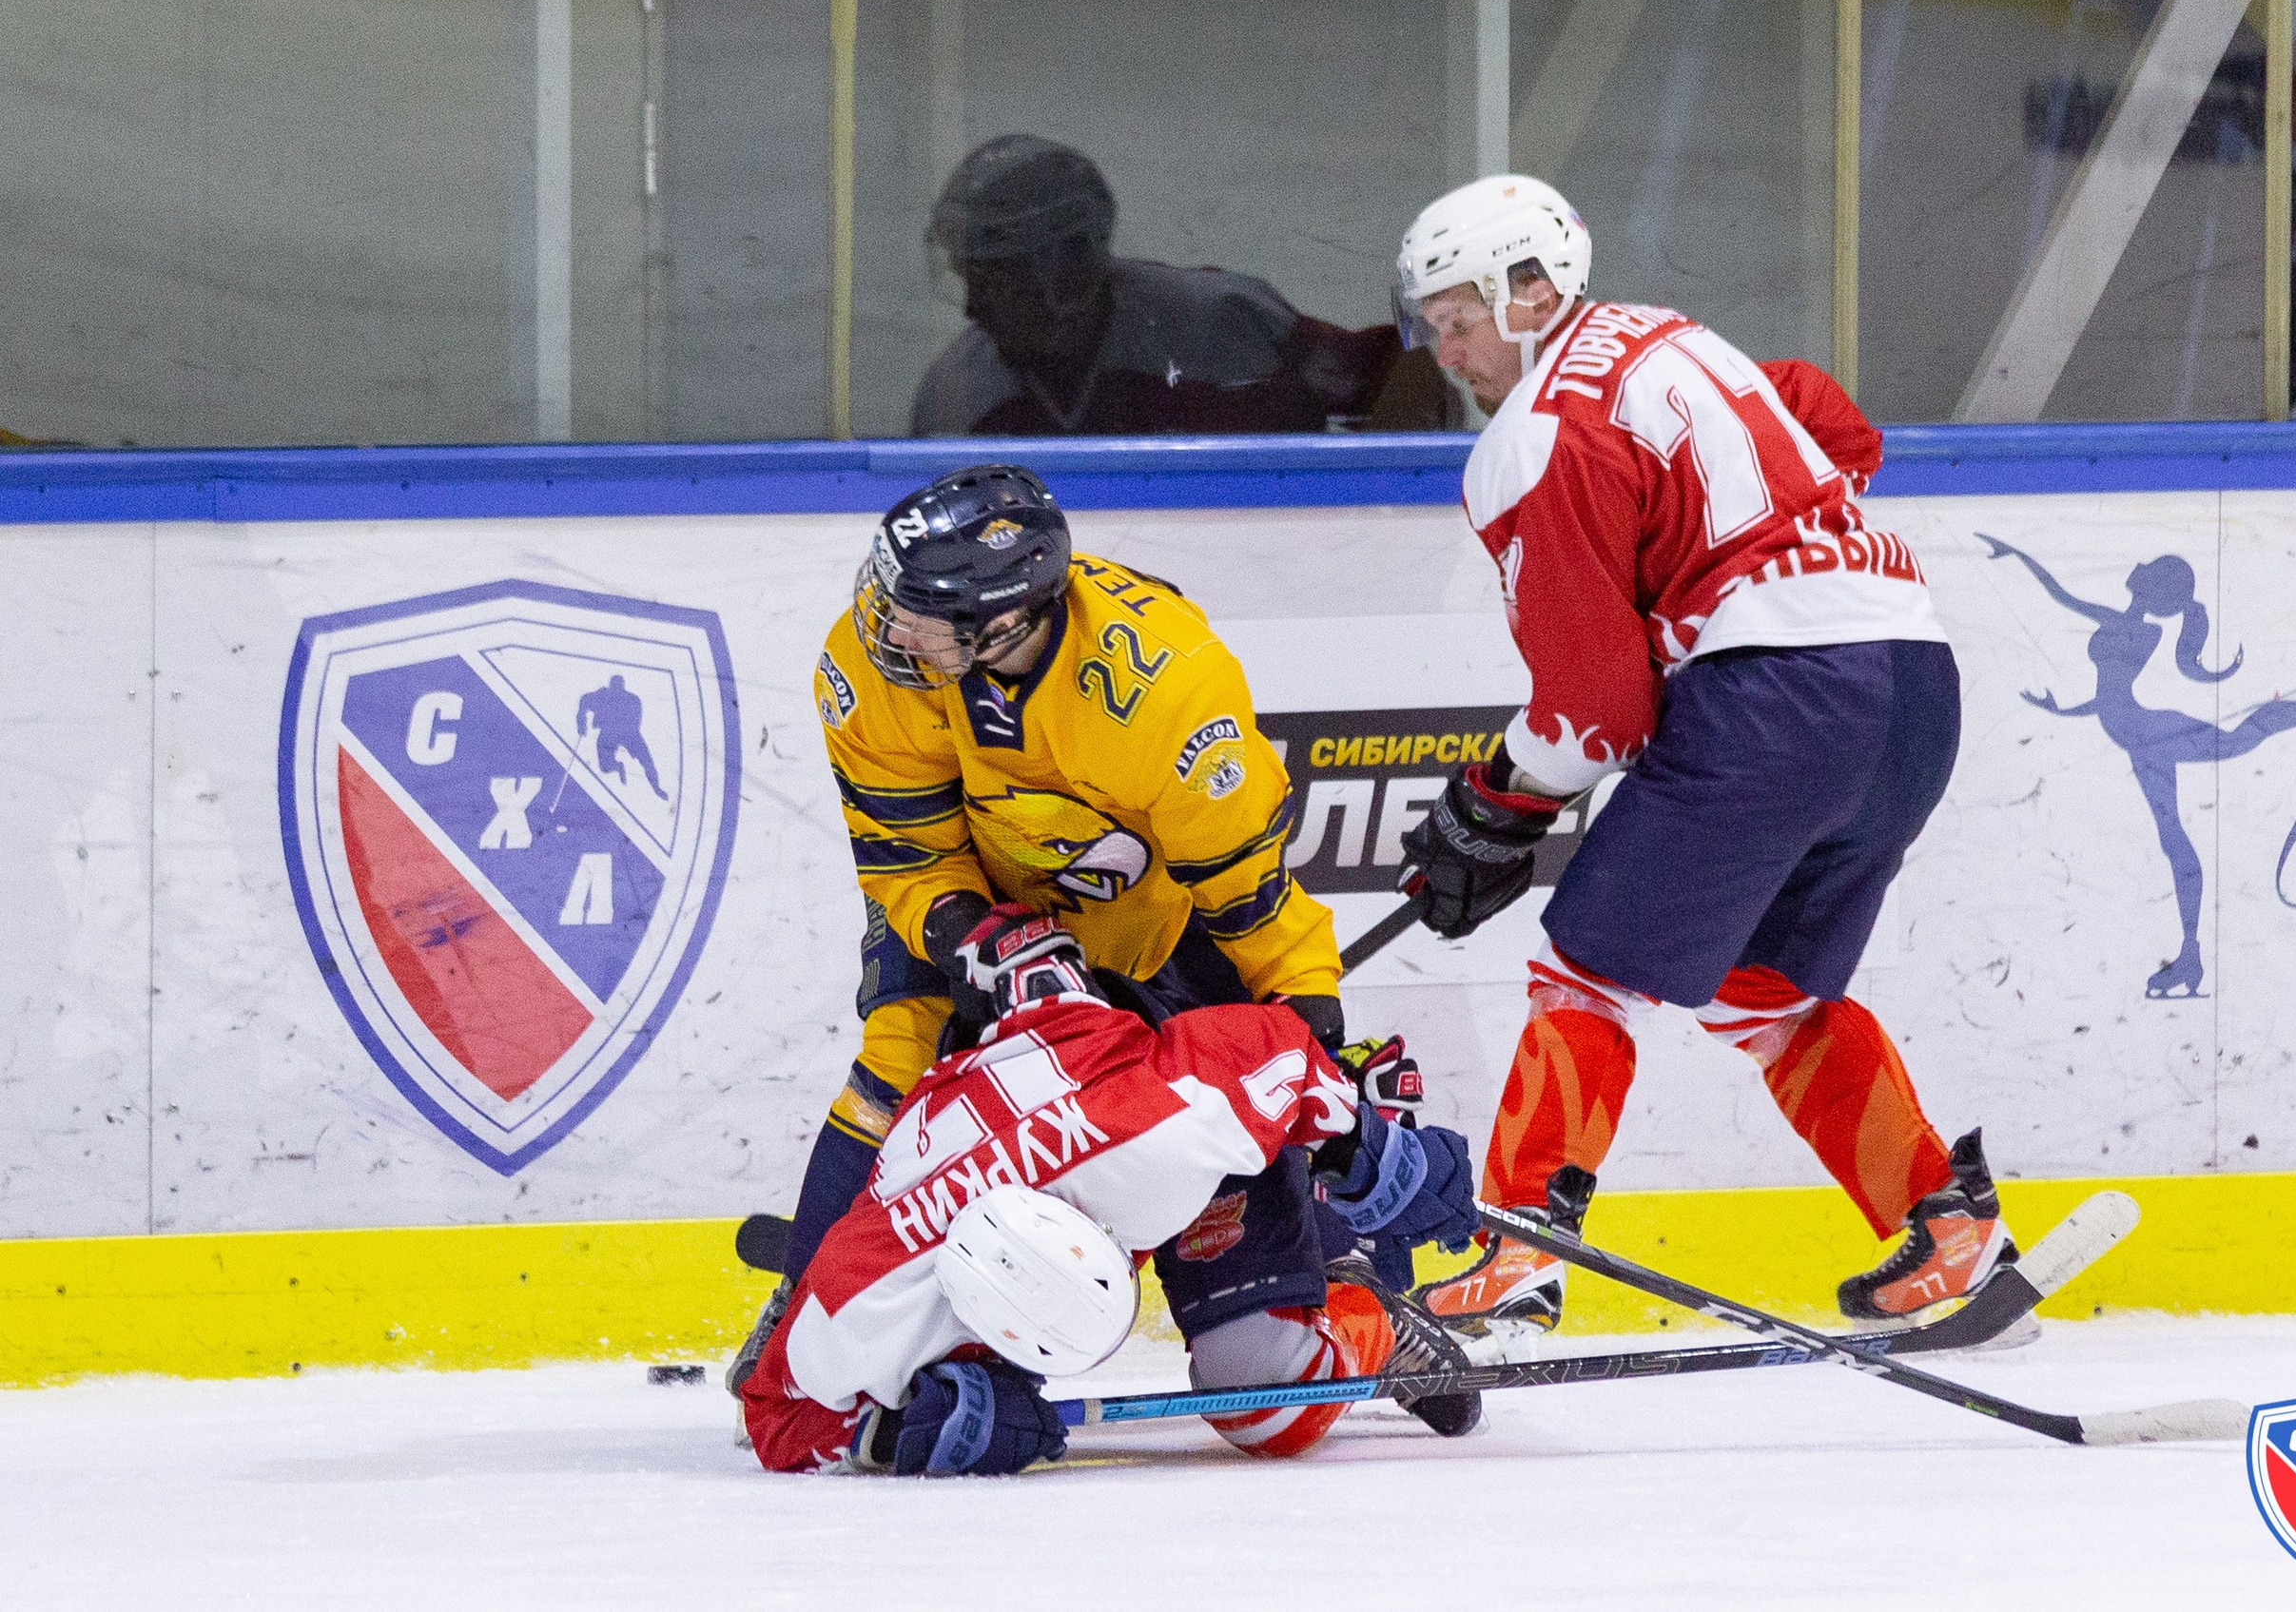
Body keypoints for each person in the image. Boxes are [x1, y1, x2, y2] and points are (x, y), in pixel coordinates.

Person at [1386, 174, 2014, 1339]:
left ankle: (1516, 1249)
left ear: (1532, 291)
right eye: (1432, 325)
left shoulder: (1537, 437)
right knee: (1764, 983)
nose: (1448, 348)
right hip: (1913, 680)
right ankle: (1950, 1230)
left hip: (1780, 693)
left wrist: (1496, 800)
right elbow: (1832, 426)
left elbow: (1596, 715)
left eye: (1459, 315)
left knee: (1585, 968)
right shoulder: (1672, 338)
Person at [730, 461, 1453, 1402]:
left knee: (1260, 1385)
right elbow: (906, 860)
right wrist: (978, 935)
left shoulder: (1170, 691)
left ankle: (1346, 1292)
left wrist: (1319, 1077)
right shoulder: (876, 665)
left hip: (1162, 949)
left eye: (917, 618)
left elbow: (1258, 911)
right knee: (897, 1051)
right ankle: (801, 1311)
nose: (885, 628)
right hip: (989, 920)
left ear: (1001, 625)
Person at [739, 910, 1479, 1473]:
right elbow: (772, 1414)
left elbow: (1280, 1046)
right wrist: (902, 1432)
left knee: (1271, 1399)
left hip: (1144, 1031)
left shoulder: (1154, 1142)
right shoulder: (879, 1271)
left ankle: (1353, 1290)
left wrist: (1370, 1150)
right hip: (1023, 1048)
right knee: (1264, 1411)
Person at [1983, 537, 2296, 998]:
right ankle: (2189, 956)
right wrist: (2018, 556)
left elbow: (2089, 656)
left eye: (2148, 568)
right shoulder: (2128, 625)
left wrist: (2061, 709)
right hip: (2141, 741)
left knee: (2238, 744)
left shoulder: (2135, 630)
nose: (2137, 566)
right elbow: (2078, 634)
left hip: (2151, 733)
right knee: (2176, 835)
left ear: (2151, 586)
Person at [910, 134, 1455, 436]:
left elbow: (1409, 380)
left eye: (994, 283)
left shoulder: (1218, 320)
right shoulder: (956, 395)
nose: (973, 311)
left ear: (1068, 273)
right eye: (966, 281)